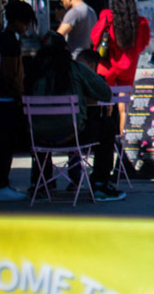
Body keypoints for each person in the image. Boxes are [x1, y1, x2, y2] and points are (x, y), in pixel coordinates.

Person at [24, 32, 124, 201]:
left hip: (38, 137)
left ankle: (41, 184)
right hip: (73, 135)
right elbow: (105, 93)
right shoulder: (74, 69)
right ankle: (100, 184)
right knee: (106, 125)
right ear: (65, 50)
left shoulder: (32, 73)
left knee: (45, 125)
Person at [0, 0, 36, 202]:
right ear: (17, 21)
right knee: (5, 144)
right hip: (8, 98)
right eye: (26, 23)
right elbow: (12, 74)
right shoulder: (10, 41)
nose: (27, 27)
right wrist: (20, 95)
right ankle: (0, 184)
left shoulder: (0, 38)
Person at [91, 0, 150, 88]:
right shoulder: (140, 23)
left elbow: (94, 38)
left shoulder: (107, 17)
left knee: (107, 99)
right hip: (129, 66)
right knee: (124, 99)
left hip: (107, 65)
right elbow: (143, 44)